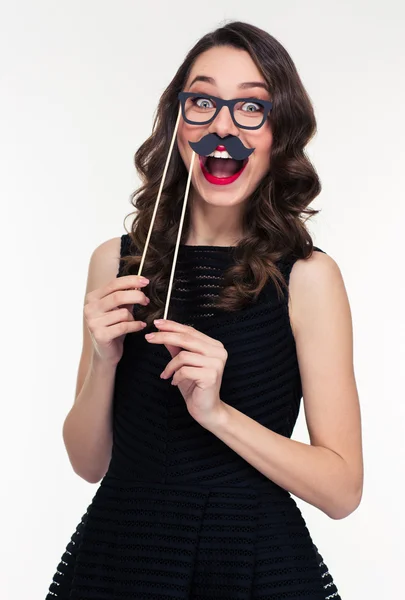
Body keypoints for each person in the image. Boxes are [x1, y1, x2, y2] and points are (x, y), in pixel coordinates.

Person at [45, 20, 363, 600]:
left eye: (250, 108)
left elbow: (342, 491)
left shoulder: (309, 278)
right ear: (178, 125)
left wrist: (216, 414)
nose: (222, 125)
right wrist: (103, 358)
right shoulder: (116, 264)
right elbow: (88, 463)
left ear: (278, 135)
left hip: (251, 566)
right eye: (203, 102)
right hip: (121, 562)